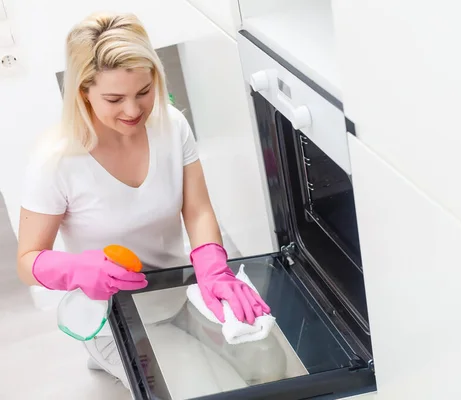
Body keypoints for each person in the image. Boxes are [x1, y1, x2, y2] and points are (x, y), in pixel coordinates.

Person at [16, 12, 270, 390]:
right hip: (111, 312)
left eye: (143, 92)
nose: (133, 111)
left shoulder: (171, 126)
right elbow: (27, 261)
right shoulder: (56, 160)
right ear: (83, 90)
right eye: (114, 98)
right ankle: (102, 353)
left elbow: (197, 208)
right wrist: (76, 269)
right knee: (194, 389)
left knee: (268, 369)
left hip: (177, 289)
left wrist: (214, 268)